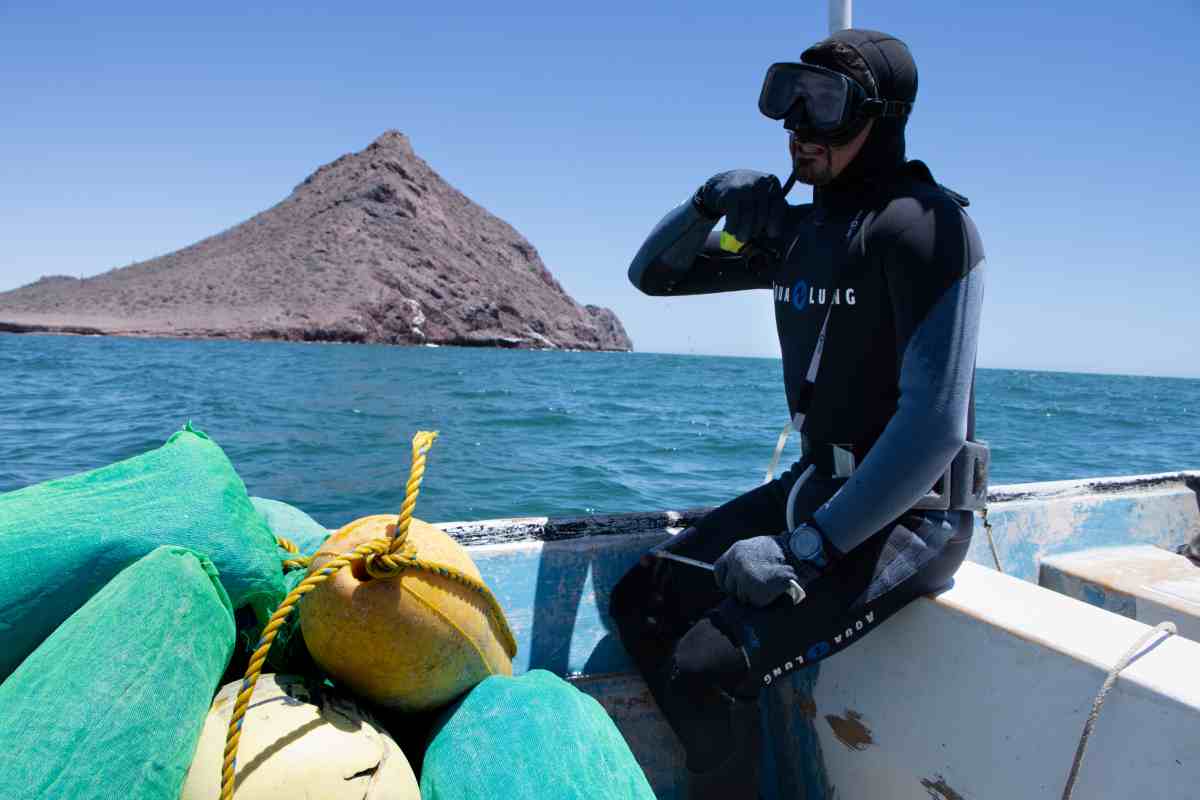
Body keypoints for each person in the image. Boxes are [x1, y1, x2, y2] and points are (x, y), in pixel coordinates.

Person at [609, 29, 989, 799]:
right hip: (815, 487)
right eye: (787, 97)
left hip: (906, 516)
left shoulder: (924, 227)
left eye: (822, 104)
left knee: (702, 666)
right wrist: (705, 204)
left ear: (881, 115)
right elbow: (652, 277)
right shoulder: (800, 229)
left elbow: (935, 425)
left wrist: (806, 551)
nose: (795, 125)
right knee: (640, 602)